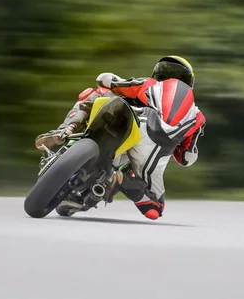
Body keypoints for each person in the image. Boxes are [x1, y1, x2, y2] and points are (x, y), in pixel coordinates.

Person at [34, 56, 206, 220]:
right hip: (155, 153)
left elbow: (106, 80)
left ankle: (65, 130)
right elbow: (186, 159)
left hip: (137, 122)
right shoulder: (198, 117)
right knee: (155, 208)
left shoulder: (150, 84)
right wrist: (176, 142)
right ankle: (119, 179)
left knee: (98, 92)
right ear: (190, 83)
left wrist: (112, 83)